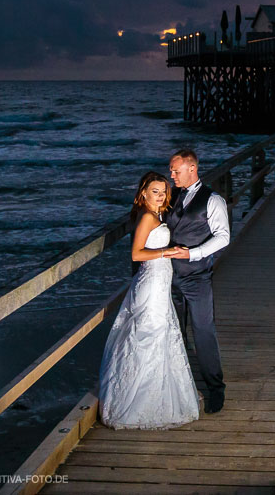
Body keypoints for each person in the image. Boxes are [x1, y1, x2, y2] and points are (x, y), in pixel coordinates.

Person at [98, 172, 200, 429]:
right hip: (152, 282)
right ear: (143, 193)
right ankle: (138, 402)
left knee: (161, 333)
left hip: (160, 280)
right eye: (155, 191)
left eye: (164, 191)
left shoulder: (156, 215)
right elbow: (136, 254)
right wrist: (168, 251)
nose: (161, 195)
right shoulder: (146, 217)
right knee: (149, 333)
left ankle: (160, 395)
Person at [164, 149, 230, 413]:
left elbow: (223, 236)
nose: (171, 175)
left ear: (192, 168)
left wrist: (193, 253)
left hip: (197, 276)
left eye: (175, 171)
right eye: (170, 171)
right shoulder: (170, 196)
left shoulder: (213, 200)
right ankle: (178, 386)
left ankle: (215, 388)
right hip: (168, 277)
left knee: (203, 332)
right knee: (173, 332)